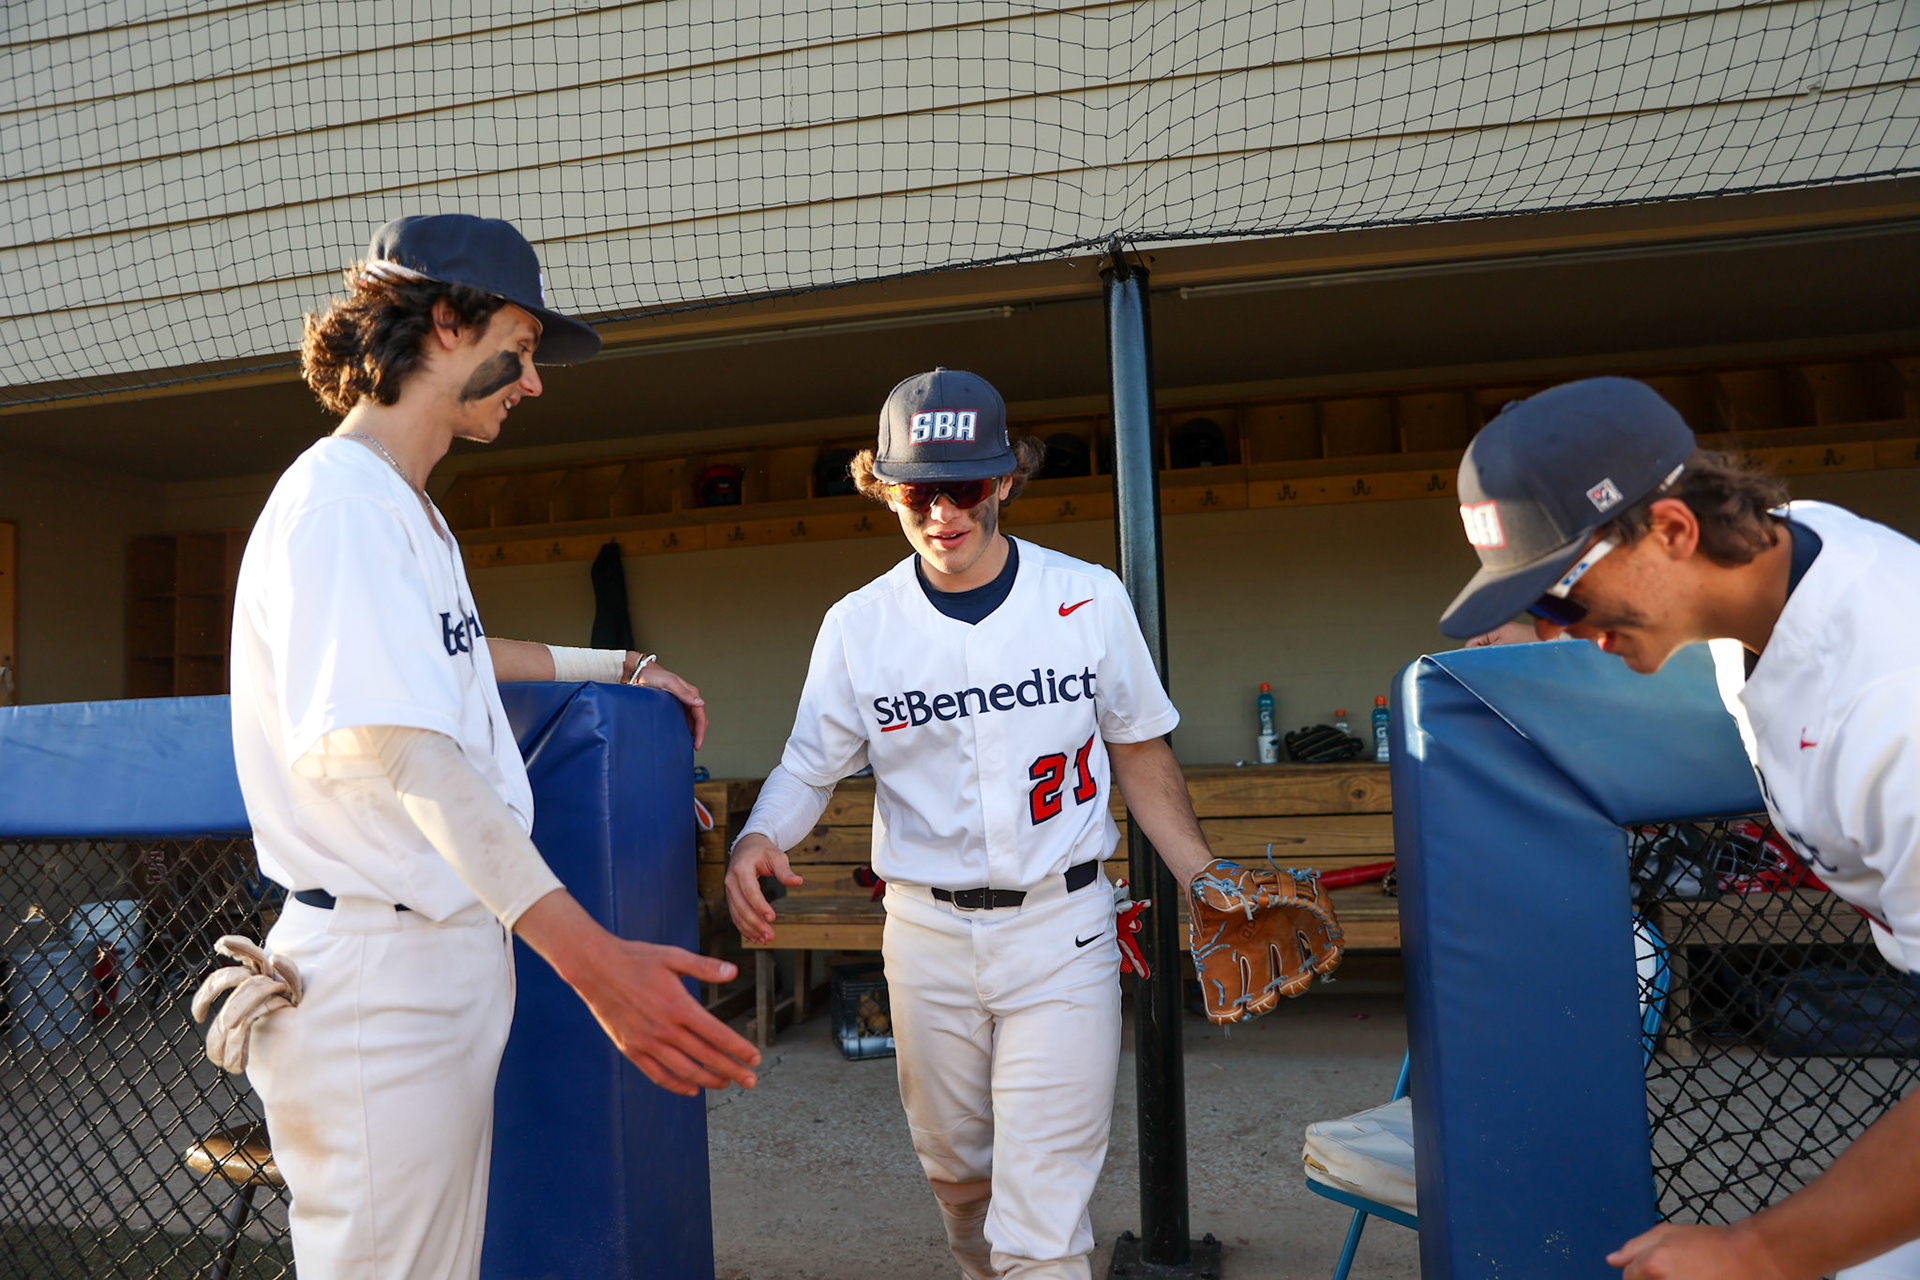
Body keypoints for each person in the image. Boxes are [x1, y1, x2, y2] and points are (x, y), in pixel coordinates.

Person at [226, 214, 759, 1280]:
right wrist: (594, 961)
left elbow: (464, 658)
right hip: (380, 963)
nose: (535, 378)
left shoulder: (405, 508)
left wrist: (615, 665)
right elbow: (414, 755)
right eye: (520, 343)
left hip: (437, 949)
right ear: (446, 321)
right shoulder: (339, 503)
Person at [723, 368, 1217, 1280]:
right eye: (919, 490)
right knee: (959, 1178)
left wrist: (1205, 878)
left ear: (1005, 481)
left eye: (965, 486)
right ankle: (971, 1255)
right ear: (884, 488)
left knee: (1043, 1225)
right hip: (929, 932)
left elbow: (1141, 752)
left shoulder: (1088, 597)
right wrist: (760, 837)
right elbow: (806, 766)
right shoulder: (858, 625)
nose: (943, 511)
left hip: (1064, 926)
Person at [1437, 376, 1920, 1280]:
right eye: (1533, 605)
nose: (1554, 628)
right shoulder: (1784, 553)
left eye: (1560, 595)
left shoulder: (1896, 702)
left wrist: (1755, 1251)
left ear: (1672, 529)